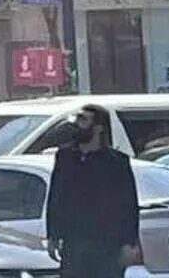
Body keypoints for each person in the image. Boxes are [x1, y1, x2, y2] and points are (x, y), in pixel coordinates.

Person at [46, 104, 141, 278]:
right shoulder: (65, 157)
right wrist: (53, 235)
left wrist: (129, 243)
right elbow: (56, 196)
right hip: (74, 244)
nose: (77, 124)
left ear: (98, 128)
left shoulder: (116, 162)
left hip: (106, 245)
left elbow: (129, 204)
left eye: (83, 119)